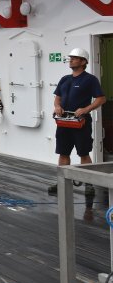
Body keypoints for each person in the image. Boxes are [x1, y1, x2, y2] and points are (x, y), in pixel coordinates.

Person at [48, 47, 106, 196]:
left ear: (83, 61)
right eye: (71, 58)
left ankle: (89, 184)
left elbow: (101, 99)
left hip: (81, 123)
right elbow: (57, 97)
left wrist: (86, 109)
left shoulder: (90, 80)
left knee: (84, 153)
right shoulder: (65, 79)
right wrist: (57, 106)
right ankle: (61, 182)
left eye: (74, 58)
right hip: (64, 122)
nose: (71, 60)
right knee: (63, 153)